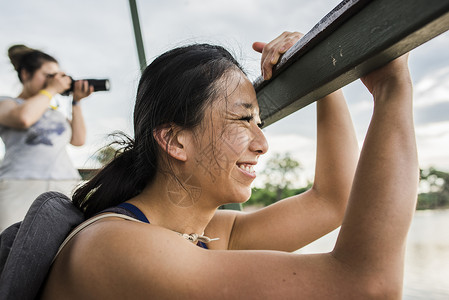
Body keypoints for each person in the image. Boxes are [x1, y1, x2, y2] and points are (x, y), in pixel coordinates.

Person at [41, 31, 418, 299]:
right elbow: (367, 286)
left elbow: (334, 201)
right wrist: (392, 87)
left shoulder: (199, 233)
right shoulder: (120, 247)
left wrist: (326, 78)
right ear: (174, 140)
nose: (262, 144)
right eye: (242, 120)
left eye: (260, 122)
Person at [0, 45, 93, 231]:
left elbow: (78, 139)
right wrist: (51, 90)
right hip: (20, 185)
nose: (55, 81)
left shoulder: (54, 112)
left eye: (57, 75)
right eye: (48, 75)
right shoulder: (7, 103)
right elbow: (24, 118)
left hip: (64, 185)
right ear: (26, 74)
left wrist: (76, 102)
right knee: (11, 246)